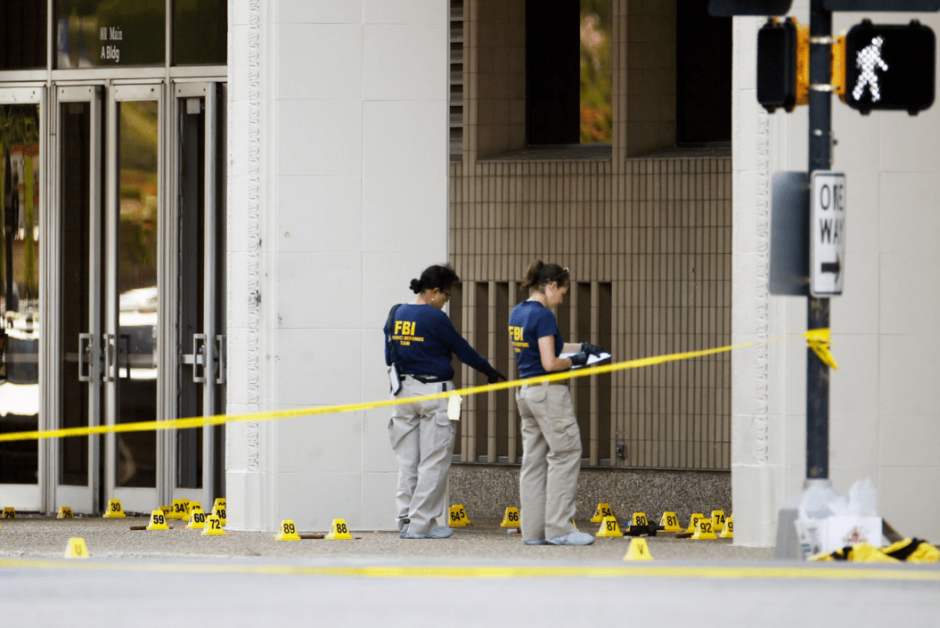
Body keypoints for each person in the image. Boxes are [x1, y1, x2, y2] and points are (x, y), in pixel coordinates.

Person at [385, 264, 505, 539]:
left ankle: (404, 518)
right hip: (434, 393)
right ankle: (421, 524)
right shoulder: (434, 317)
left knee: (408, 460)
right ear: (435, 292)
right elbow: (463, 350)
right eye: (447, 296)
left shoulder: (395, 313)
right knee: (434, 460)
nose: (446, 302)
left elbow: (388, 357)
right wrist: (489, 372)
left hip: (402, 393)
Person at [508, 261, 605, 546]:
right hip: (549, 393)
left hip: (526, 393)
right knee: (566, 452)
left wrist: (581, 349)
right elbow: (550, 362)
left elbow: (541, 350)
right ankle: (560, 528)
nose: (562, 298)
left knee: (534, 463)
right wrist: (577, 361)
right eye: (562, 291)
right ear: (551, 286)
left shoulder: (518, 311)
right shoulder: (544, 315)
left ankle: (534, 532)